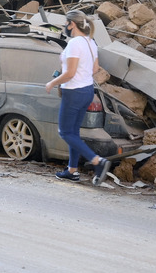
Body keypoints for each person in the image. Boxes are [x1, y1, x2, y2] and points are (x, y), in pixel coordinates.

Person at [45, 10, 112, 184]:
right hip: (87, 90)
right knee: (73, 133)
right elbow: (95, 68)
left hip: (73, 92)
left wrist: (52, 83)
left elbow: (70, 73)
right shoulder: (90, 42)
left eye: (65, 24)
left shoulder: (75, 43)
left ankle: (98, 161)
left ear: (71, 24)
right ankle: (72, 170)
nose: (64, 27)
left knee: (65, 132)